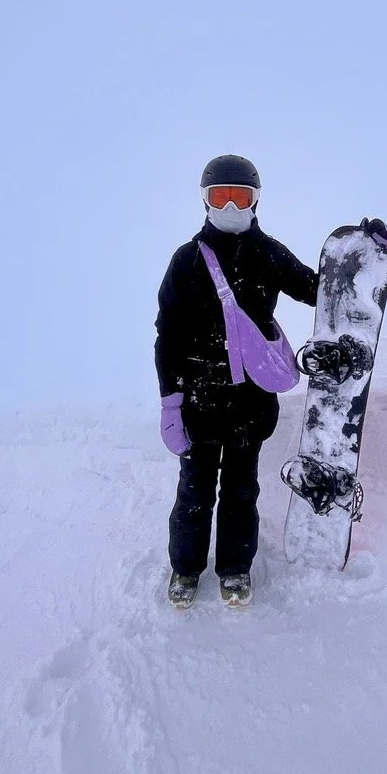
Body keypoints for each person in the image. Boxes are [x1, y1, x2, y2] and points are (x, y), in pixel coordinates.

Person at [155, 154, 318, 607]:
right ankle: (186, 569)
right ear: (205, 201)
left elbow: (318, 290)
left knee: (242, 491)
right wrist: (170, 405)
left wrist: (362, 257)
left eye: (238, 196)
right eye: (219, 196)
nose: (229, 207)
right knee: (195, 489)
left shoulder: (269, 254)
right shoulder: (187, 260)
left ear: (255, 201)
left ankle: (234, 569)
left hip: (251, 403)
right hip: (199, 403)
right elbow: (166, 336)